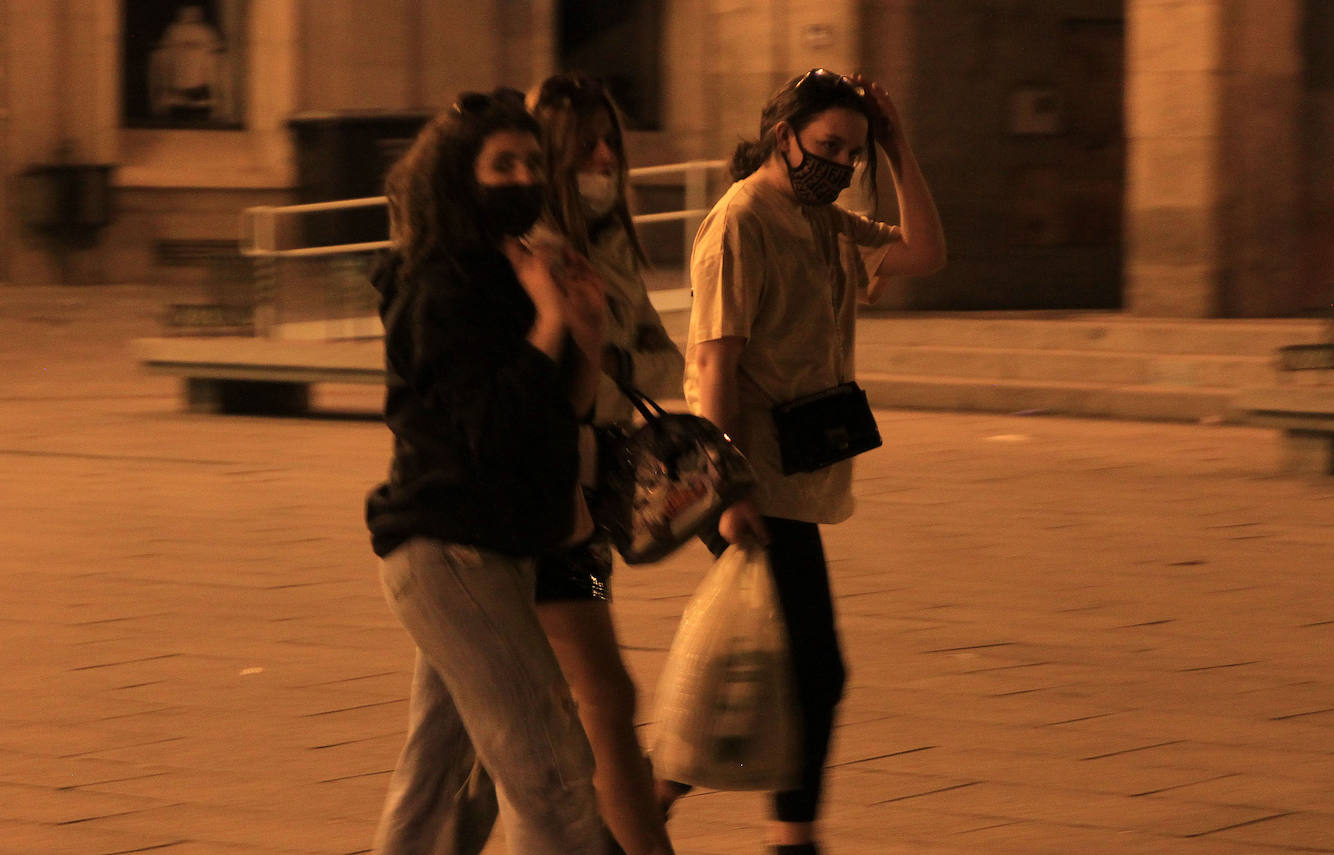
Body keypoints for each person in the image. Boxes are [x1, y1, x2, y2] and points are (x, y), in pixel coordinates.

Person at [672, 69, 947, 854]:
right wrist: (723, 492)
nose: (839, 165)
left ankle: (652, 795)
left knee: (763, 664)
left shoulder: (825, 220)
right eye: (827, 146)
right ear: (781, 133)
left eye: (852, 154)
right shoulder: (741, 221)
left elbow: (925, 253)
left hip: (793, 475)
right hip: (747, 474)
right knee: (814, 669)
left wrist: (897, 149)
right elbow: (715, 364)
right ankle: (788, 835)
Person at [364, 87, 609, 855]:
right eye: (502, 164)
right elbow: (492, 425)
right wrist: (543, 322)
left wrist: (585, 331)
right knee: (553, 771)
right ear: (457, 176)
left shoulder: (509, 270)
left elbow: (555, 415)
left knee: (443, 785)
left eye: (533, 162)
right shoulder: (435, 284)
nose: (523, 178)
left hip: (499, 550)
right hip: (450, 546)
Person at [526, 72, 684, 855]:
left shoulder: (607, 243)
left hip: (587, 491)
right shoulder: (535, 251)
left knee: (525, 721)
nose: (602, 157)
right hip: (547, 504)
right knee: (603, 698)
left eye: (610, 141)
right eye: (583, 143)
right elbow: (553, 383)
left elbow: (656, 364)